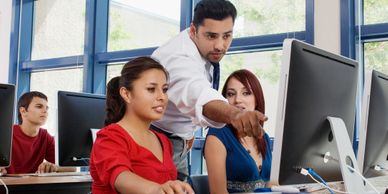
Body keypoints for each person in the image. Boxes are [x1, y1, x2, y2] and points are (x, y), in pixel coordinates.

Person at [151, 0, 267, 180]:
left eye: (227, 35)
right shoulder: (177, 58)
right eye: (211, 36)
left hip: (178, 139)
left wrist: (188, 132)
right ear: (192, 30)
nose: (220, 45)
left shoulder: (202, 48)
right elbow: (200, 95)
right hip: (156, 143)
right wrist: (235, 115)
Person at [89, 57, 194, 194]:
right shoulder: (109, 137)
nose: (162, 97)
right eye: (151, 89)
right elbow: (121, 177)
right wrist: (156, 189)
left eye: (165, 89)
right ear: (126, 94)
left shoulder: (163, 141)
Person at [204, 69, 272, 193]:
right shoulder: (217, 135)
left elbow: (270, 184)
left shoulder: (264, 137)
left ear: (257, 99)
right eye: (230, 94)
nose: (237, 100)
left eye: (246, 93)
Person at [3, 91, 75, 174]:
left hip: (33, 185)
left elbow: (71, 168)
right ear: (23, 111)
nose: (45, 111)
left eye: (46, 108)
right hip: (6, 185)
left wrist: (54, 167)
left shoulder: (45, 136)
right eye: (39, 106)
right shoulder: (6, 133)